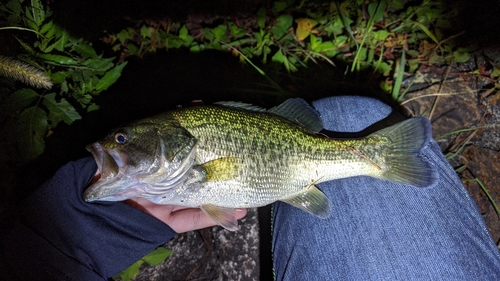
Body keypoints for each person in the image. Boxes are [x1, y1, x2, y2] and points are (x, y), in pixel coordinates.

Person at [2, 96, 500, 280]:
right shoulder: (174, 160)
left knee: (355, 120)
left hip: (296, 167)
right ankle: (371, 150)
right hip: (292, 165)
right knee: (359, 111)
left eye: (124, 139)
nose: (111, 146)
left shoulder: (184, 154)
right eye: (119, 140)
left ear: (172, 141)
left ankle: (374, 156)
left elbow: (218, 193)